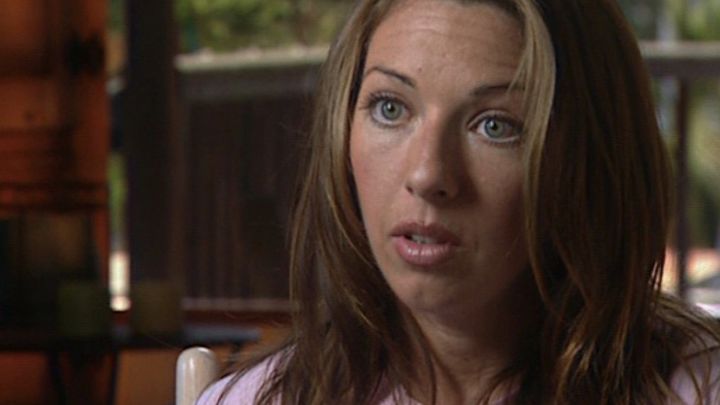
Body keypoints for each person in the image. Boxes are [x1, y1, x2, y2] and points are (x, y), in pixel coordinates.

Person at [199, 0, 720, 403]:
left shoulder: (697, 387)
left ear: (586, 164)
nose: (428, 175)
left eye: (495, 126)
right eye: (390, 108)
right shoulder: (258, 398)